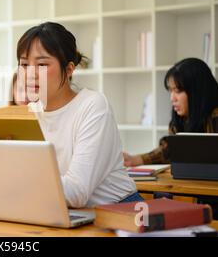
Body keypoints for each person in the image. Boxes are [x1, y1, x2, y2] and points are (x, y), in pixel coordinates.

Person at [16, 22, 142, 208]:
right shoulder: (29, 113)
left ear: (69, 69)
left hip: (118, 212)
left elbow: (76, 193)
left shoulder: (93, 106)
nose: (30, 74)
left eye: (42, 64)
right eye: (24, 64)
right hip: (60, 212)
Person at [123, 58, 218, 167]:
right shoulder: (181, 118)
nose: (172, 98)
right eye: (170, 91)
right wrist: (134, 160)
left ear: (198, 92)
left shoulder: (215, 115)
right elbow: (170, 150)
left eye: (178, 91)